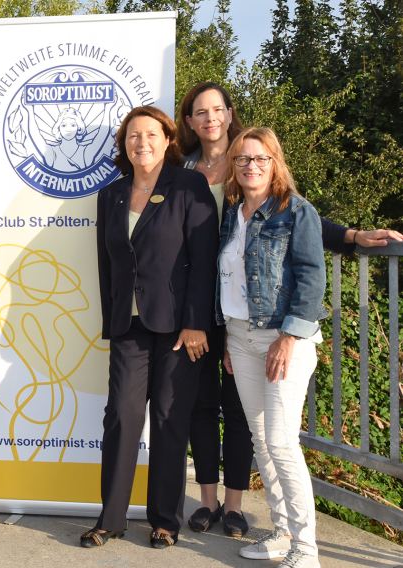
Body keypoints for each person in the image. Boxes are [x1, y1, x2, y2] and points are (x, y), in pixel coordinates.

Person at [177, 82, 403, 537]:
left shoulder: (253, 161)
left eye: (217, 109)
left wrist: (352, 237)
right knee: (201, 405)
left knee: (244, 415)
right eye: (199, 111)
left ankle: (237, 506)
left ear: (229, 113)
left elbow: (294, 220)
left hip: (255, 313)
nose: (209, 118)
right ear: (188, 121)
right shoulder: (181, 169)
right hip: (204, 306)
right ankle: (207, 501)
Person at [83, 106, 218, 550]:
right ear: (124, 145)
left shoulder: (189, 186)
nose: (141, 143)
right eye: (132, 136)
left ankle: (164, 519)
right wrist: (113, 320)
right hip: (130, 325)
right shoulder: (111, 195)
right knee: (121, 417)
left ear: (167, 140)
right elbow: (108, 266)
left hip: (179, 328)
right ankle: (112, 518)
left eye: (150, 135)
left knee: (168, 419)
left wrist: (197, 322)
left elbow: (203, 260)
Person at [217, 128, 324, 568]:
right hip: (239, 337)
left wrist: (289, 336)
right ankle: (281, 533)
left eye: (259, 158)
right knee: (261, 441)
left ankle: (306, 549)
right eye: (242, 158)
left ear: (275, 161)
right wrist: (226, 335)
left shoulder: (296, 212)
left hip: (283, 338)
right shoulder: (232, 213)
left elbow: (311, 276)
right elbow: (226, 277)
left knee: (281, 442)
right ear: (233, 166)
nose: (250, 165)